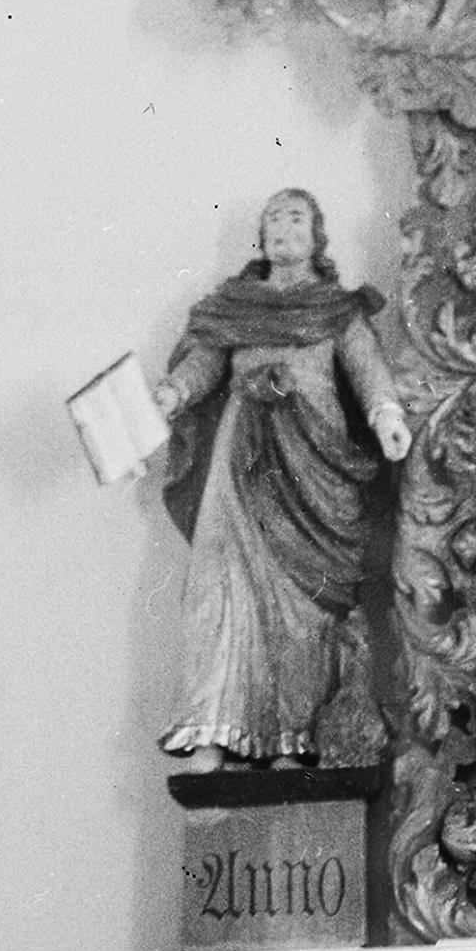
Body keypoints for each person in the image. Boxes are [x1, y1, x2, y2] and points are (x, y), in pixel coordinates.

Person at [154, 188, 411, 771]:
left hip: (313, 466)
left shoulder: (337, 309)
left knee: (305, 597)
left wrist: (387, 417)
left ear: (316, 235)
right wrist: (175, 391)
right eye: (272, 218)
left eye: (295, 217)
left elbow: (367, 370)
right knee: (222, 581)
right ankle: (215, 728)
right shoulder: (234, 306)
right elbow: (204, 362)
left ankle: (295, 732)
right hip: (241, 462)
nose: (281, 226)